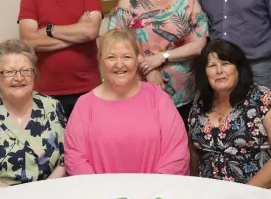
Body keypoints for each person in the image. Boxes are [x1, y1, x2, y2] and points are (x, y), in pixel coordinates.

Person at [108, 0, 209, 129]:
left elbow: (199, 44)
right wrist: (148, 66)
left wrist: (161, 58)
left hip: (181, 96)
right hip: (137, 88)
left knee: (179, 150)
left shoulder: (189, 0)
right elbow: (115, 42)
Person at [64, 29, 189, 175]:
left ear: (137, 59)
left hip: (153, 194)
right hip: (100, 194)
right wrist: (99, 192)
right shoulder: (84, 105)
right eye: (111, 57)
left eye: (127, 57)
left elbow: (176, 152)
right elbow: (75, 157)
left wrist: (153, 191)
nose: (119, 64)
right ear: (100, 60)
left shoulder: (158, 98)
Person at [188, 39, 271, 196]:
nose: (219, 70)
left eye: (225, 63)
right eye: (212, 66)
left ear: (239, 68)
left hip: (263, 194)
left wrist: (244, 193)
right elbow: (194, 153)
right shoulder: (199, 104)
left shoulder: (262, 98)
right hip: (212, 196)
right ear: (205, 73)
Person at [18, 0, 103, 119]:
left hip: (88, 90)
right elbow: (28, 41)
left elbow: (90, 31)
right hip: (44, 92)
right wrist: (76, 35)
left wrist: (49, 30)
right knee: (51, 148)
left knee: (89, 147)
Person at [0, 40, 66, 193]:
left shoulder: (52, 106)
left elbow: (64, 161)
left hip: (51, 193)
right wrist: (23, 198)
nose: (19, 78)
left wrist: (45, 192)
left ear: (34, 75)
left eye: (25, 70)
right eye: (9, 72)